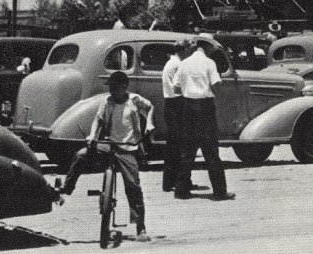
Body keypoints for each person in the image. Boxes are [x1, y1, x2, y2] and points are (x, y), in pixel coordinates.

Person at [57, 71, 153, 241]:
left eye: (114, 87)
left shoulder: (134, 100)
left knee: (133, 185)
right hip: (109, 145)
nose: (111, 91)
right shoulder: (107, 103)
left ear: (124, 86)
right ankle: (65, 189)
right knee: (81, 155)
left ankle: (140, 226)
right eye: (110, 87)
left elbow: (150, 106)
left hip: (128, 148)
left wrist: (150, 122)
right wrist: (92, 135)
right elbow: (98, 120)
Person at [175, 39, 234, 201]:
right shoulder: (209, 63)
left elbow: (176, 87)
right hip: (205, 108)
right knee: (211, 152)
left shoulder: (184, 63)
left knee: (188, 151)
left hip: (188, 107)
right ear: (207, 47)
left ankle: (181, 190)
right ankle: (219, 191)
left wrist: (190, 89)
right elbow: (216, 85)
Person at [161, 39, 190, 193]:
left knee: (173, 146)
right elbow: (179, 87)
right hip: (176, 105)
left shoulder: (171, 63)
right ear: (183, 50)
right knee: (178, 146)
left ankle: (169, 182)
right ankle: (176, 181)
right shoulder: (178, 65)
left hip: (171, 105)